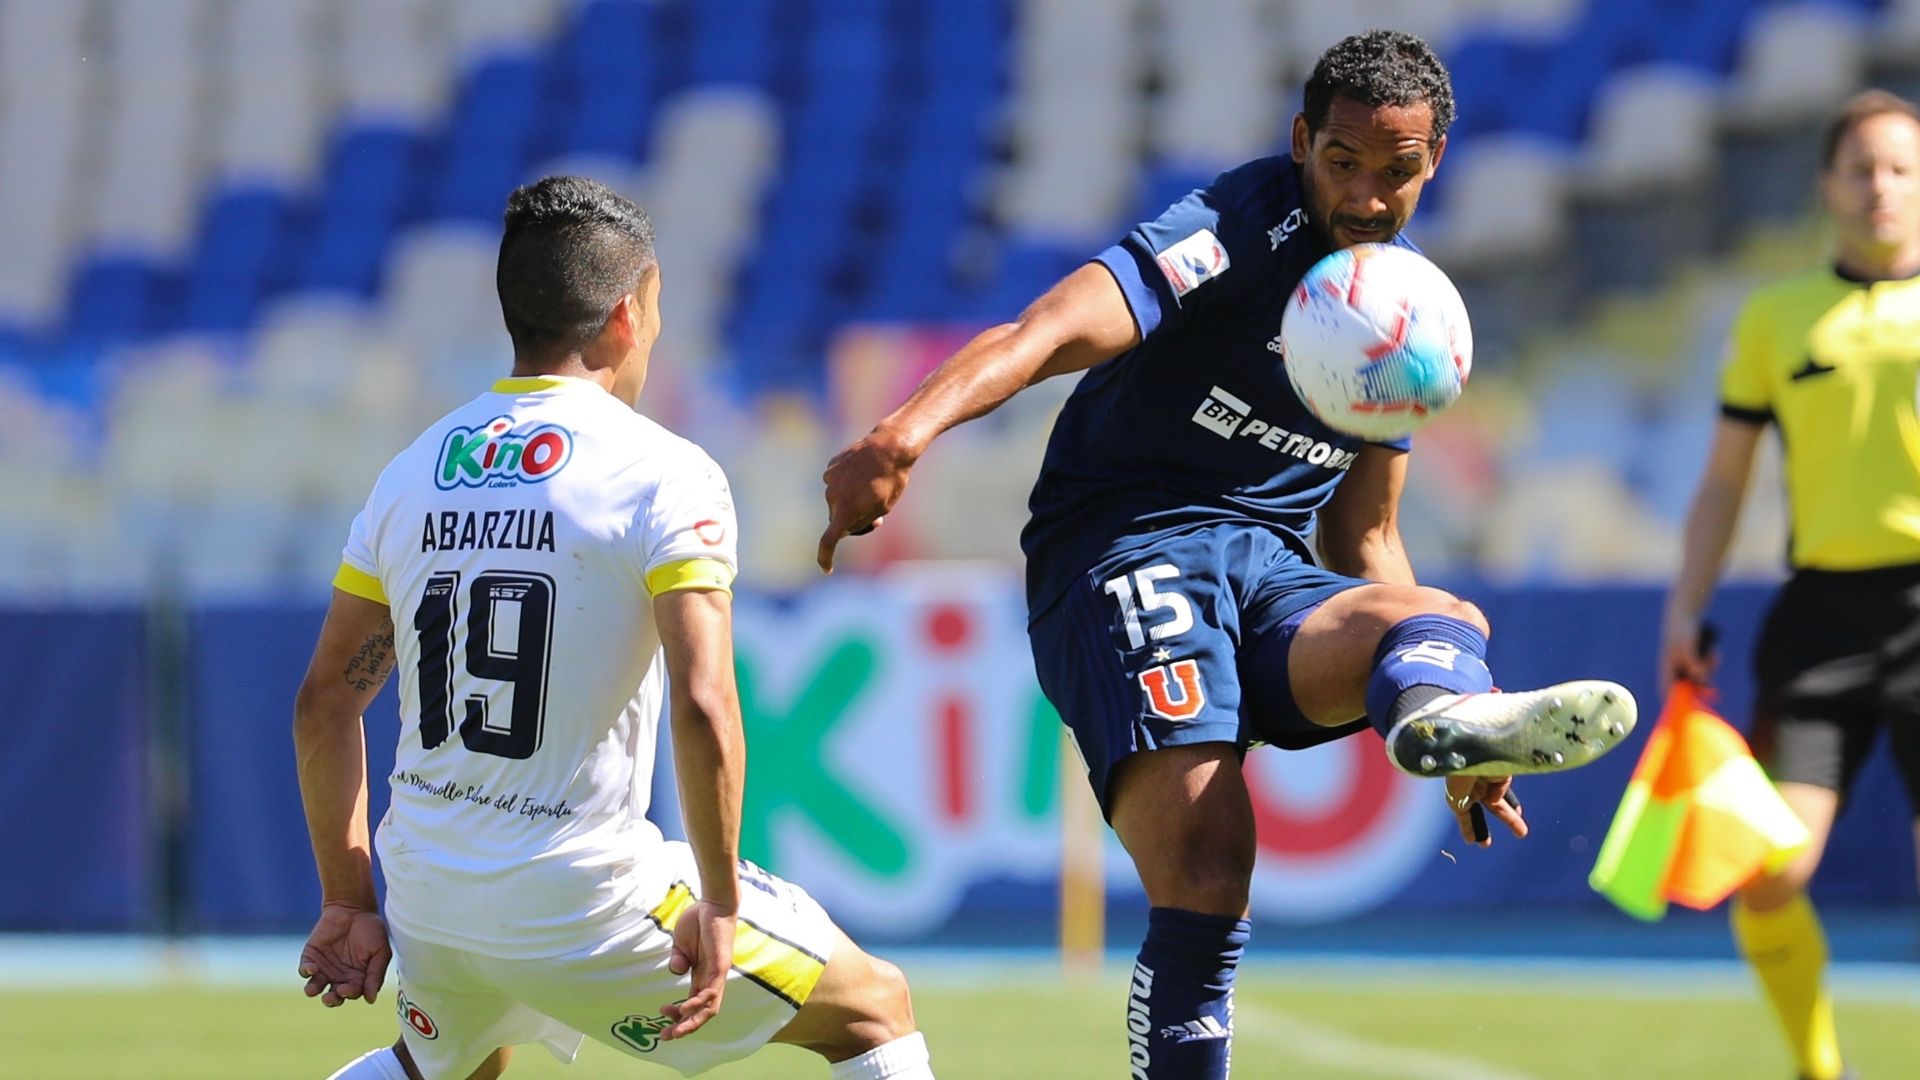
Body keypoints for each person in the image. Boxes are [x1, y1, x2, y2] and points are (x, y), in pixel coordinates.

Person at [819, 30, 1637, 1080]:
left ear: (1436, 162)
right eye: (1344, 160)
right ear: (1303, 141)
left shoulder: (1406, 311)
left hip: (1264, 568)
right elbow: (1048, 329)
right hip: (1122, 546)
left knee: (1441, 622)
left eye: (1400, 171)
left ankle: (1448, 718)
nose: (1369, 195)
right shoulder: (1234, 228)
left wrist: (1432, 698)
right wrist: (904, 434)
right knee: (1211, 862)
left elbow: (1367, 537)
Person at [294, 176, 935, 1080]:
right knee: (875, 1009)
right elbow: (705, 700)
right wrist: (718, 899)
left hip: (430, 895)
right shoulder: (664, 474)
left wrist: (347, 898)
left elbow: (325, 702)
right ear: (631, 313)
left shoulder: (413, 471)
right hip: (582, 898)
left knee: (449, 1064)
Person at [1662, 89, 1920, 1080]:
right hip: (1825, 620)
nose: (1880, 186)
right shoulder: (1775, 319)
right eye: (1861, 167)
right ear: (1827, 184)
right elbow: (1724, 481)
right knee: (1770, 872)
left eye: (1900, 167)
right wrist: (1685, 605)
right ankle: (1820, 1071)